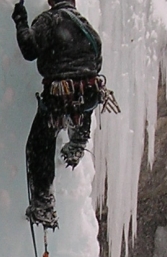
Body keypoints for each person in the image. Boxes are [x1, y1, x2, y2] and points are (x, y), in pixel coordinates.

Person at [12, 0, 103, 230]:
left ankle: (43, 203)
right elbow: (96, 63)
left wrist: (20, 19)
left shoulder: (48, 21)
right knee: (82, 104)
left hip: (58, 95)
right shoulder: (88, 27)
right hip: (87, 93)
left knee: (39, 144)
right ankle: (78, 141)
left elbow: (29, 49)